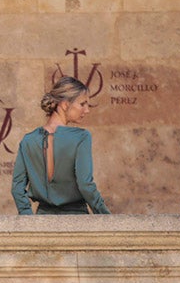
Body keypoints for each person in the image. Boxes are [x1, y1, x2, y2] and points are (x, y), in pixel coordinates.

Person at [11, 76, 111, 215]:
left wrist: (29, 221)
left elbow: (17, 188)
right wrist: (106, 217)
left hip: (42, 222)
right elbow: (85, 185)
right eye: (82, 104)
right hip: (77, 220)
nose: (87, 110)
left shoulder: (28, 140)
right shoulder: (81, 137)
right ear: (64, 104)